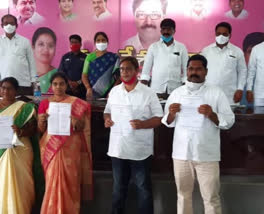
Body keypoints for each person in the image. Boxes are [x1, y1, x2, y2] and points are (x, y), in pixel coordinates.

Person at [162, 54, 235, 214]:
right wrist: (171, 114)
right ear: (186, 71)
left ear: (206, 71)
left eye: (198, 69)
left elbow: (229, 121)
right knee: (182, 196)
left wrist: (212, 115)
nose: (194, 72)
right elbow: (166, 122)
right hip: (181, 154)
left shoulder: (216, 93)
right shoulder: (177, 93)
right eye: (190, 69)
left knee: (211, 198)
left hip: (207, 155)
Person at [104, 56, 163, 214]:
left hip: (140, 150)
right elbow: (107, 111)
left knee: (143, 189)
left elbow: (159, 118)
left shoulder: (148, 92)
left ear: (137, 71)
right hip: (118, 148)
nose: (124, 72)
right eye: (122, 69)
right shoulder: (115, 91)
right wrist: (107, 120)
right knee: (118, 189)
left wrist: (143, 124)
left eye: (128, 69)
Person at [0, 77, 44, 214]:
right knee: (1, 185)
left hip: (20, 151)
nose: (5, 91)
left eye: (9, 88)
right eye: (3, 88)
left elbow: (34, 129)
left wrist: (21, 131)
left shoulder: (25, 107)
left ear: (16, 90)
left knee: (21, 185)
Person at [38, 72, 93, 214]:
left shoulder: (77, 103)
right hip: (51, 147)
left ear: (66, 85)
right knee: (51, 182)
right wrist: (42, 121)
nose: (58, 87)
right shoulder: (45, 103)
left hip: (71, 147)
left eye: (61, 84)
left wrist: (76, 122)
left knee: (71, 181)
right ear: (51, 86)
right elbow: (40, 129)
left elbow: (82, 127)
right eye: (55, 84)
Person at [141, 18, 188, 99]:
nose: (166, 32)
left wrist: (186, 85)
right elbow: (146, 68)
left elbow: (185, 68)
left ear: (174, 31)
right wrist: (143, 87)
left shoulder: (181, 47)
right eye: (164, 29)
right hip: (157, 88)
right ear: (161, 31)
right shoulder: (153, 47)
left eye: (169, 29)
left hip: (176, 88)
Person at [0, 14, 37, 96]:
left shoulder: (25, 41)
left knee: (24, 108)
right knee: (7, 108)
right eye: (6, 23)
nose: (9, 25)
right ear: (2, 25)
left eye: (12, 23)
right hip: (5, 86)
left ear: (16, 25)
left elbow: (31, 63)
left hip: (23, 84)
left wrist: (33, 81)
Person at [201, 22, 247, 104]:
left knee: (229, 116)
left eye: (224, 34)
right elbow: (201, 71)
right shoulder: (206, 51)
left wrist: (240, 89)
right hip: (209, 94)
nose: (221, 36)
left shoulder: (237, 51)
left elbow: (242, 71)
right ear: (215, 34)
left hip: (230, 95)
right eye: (218, 34)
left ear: (230, 35)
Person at [81, 31, 120, 100]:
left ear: (107, 42)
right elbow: (84, 75)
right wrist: (88, 88)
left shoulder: (114, 57)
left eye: (103, 40)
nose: (101, 42)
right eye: (98, 40)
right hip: (93, 92)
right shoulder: (90, 57)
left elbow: (119, 77)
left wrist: (113, 91)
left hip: (110, 92)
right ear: (95, 43)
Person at [58, 34, 87, 99]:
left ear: (80, 44)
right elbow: (61, 73)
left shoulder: (85, 58)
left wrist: (78, 83)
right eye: (72, 42)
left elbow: (87, 74)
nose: (73, 44)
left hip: (81, 90)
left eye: (76, 42)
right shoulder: (65, 57)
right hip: (67, 90)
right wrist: (69, 83)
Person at [32, 27, 57, 93]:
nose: (46, 49)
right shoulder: (25, 74)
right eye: (41, 44)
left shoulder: (58, 74)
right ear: (33, 47)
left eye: (50, 45)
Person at [246, 40, 264, 106]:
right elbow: (251, 71)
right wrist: (249, 89)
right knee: (259, 116)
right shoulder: (257, 49)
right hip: (260, 95)